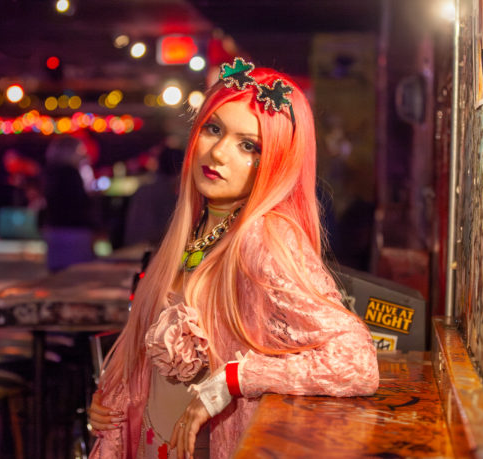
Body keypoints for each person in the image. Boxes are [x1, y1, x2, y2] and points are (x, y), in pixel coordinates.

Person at [88, 58, 379, 459]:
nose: (218, 152)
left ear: (276, 161)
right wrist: (114, 400)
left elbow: (355, 359)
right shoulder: (195, 227)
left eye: (248, 145)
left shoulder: (265, 237)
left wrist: (233, 379)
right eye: (213, 128)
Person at [42, 136, 95, 271]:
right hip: (73, 233)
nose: (83, 154)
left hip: (55, 231)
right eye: (79, 150)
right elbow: (79, 204)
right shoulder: (70, 174)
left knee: (58, 276)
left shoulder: (51, 173)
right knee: (75, 276)